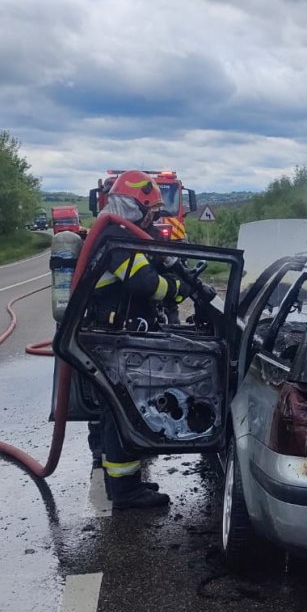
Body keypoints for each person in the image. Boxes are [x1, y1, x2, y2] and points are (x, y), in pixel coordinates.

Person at [90, 170, 190, 510]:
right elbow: (144, 283)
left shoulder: (115, 232)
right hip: (114, 340)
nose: (152, 219)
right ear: (135, 206)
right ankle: (125, 493)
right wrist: (178, 290)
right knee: (122, 414)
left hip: (115, 338)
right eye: (150, 212)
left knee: (117, 412)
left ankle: (125, 485)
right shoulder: (116, 236)